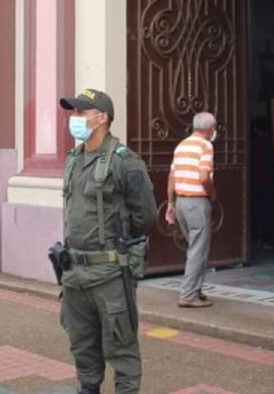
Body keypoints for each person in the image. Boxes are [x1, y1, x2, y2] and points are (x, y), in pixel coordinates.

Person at [58, 89, 158, 394]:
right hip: (74, 273)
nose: (74, 119)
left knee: (121, 348)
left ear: (102, 117)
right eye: (72, 113)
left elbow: (146, 217)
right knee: (82, 346)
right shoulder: (73, 159)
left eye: (81, 113)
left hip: (110, 275)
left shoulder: (125, 162)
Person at [165, 112, 218, 308]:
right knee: (198, 249)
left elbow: (171, 176)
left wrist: (170, 204)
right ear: (210, 129)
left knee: (195, 247)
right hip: (197, 202)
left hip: (180, 202)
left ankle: (195, 289)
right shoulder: (206, 146)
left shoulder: (181, 146)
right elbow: (204, 176)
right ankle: (188, 295)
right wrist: (212, 193)